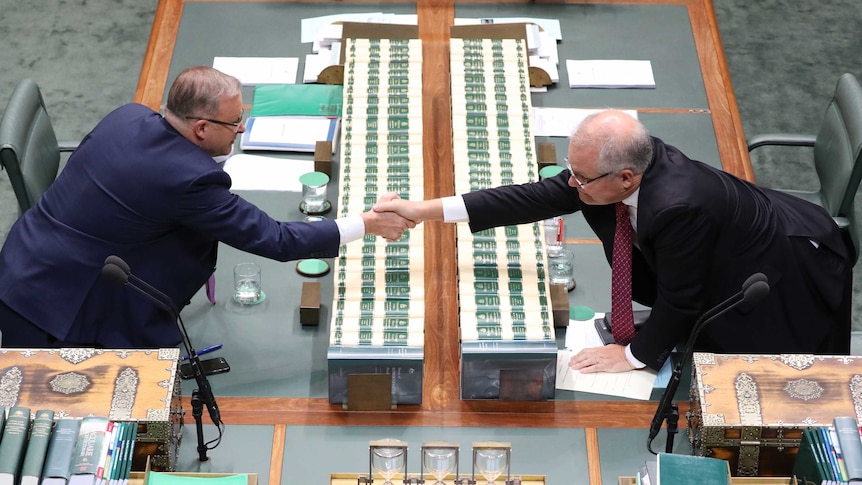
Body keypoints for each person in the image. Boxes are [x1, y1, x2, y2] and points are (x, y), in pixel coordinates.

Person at [374, 109, 852, 373]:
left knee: (777, 370)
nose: (571, 184)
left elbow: (683, 299)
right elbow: (531, 198)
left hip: (790, 265)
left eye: (580, 177)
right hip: (743, 241)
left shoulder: (676, 207)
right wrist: (423, 211)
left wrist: (632, 357)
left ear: (625, 177)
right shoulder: (621, 171)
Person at [0, 66, 412, 348]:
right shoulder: (188, 181)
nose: (242, 128)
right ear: (200, 128)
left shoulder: (128, 116)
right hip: (56, 307)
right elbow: (275, 238)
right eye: (235, 123)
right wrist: (366, 224)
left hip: (26, 255)